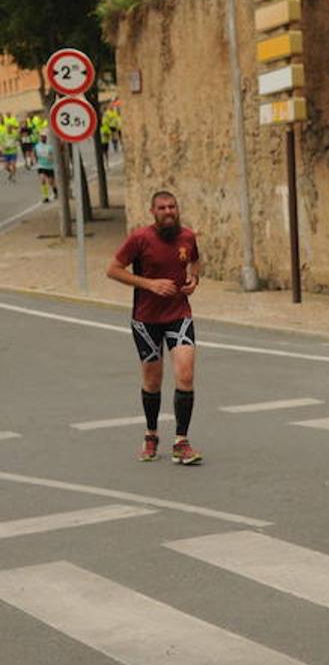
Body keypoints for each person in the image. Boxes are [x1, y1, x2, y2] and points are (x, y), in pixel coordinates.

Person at [105, 190, 204, 465]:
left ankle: (181, 441)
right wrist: (150, 284)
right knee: (152, 380)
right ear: (153, 212)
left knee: (185, 374)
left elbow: (195, 260)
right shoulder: (140, 238)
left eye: (172, 206)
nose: (168, 211)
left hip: (179, 314)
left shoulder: (187, 237)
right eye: (162, 207)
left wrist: (194, 280)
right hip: (146, 319)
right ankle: (151, 434)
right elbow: (113, 269)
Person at [34, 132, 54, 203]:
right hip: (41, 166)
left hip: (50, 166)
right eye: (41, 137)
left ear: (46, 138)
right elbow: (35, 154)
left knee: (51, 182)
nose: (43, 138)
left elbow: (52, 156)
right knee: (42, 180)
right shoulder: (37, 146)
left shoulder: (50, 146)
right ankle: (46, 197)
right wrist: (36, 161)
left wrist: (51, 158)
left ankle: (55, 190)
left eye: (44, 137)